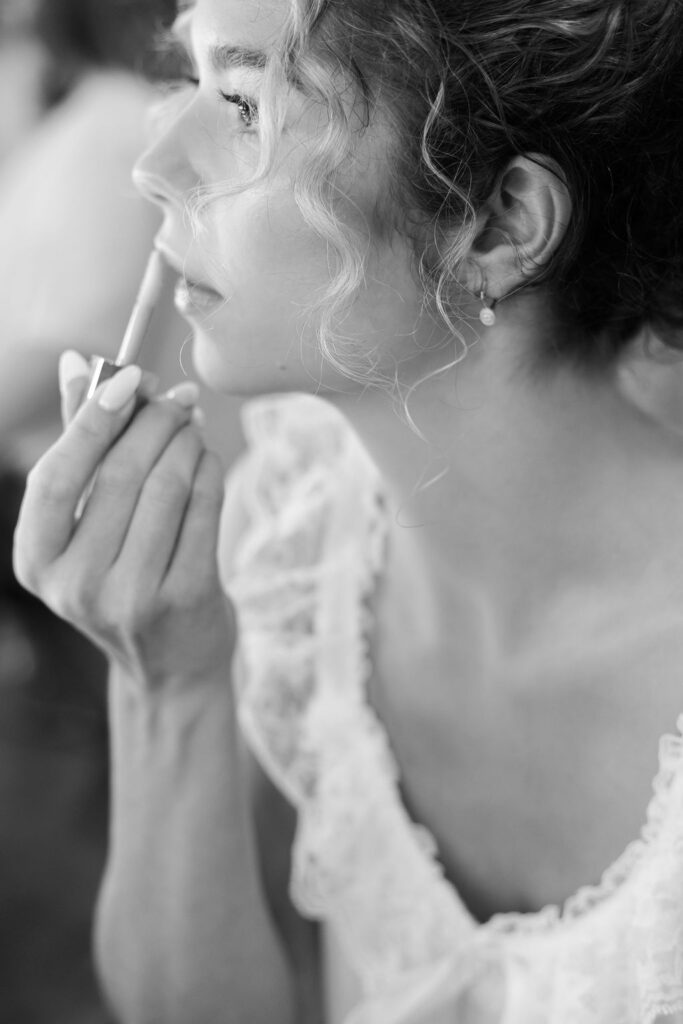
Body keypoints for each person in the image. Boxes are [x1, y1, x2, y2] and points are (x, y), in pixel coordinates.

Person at [12, 0, 683, 1022]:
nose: (152, 160)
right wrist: (168, 685)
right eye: (189, 80)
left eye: (242, 102)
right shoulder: (299, 531)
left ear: (498, 225)